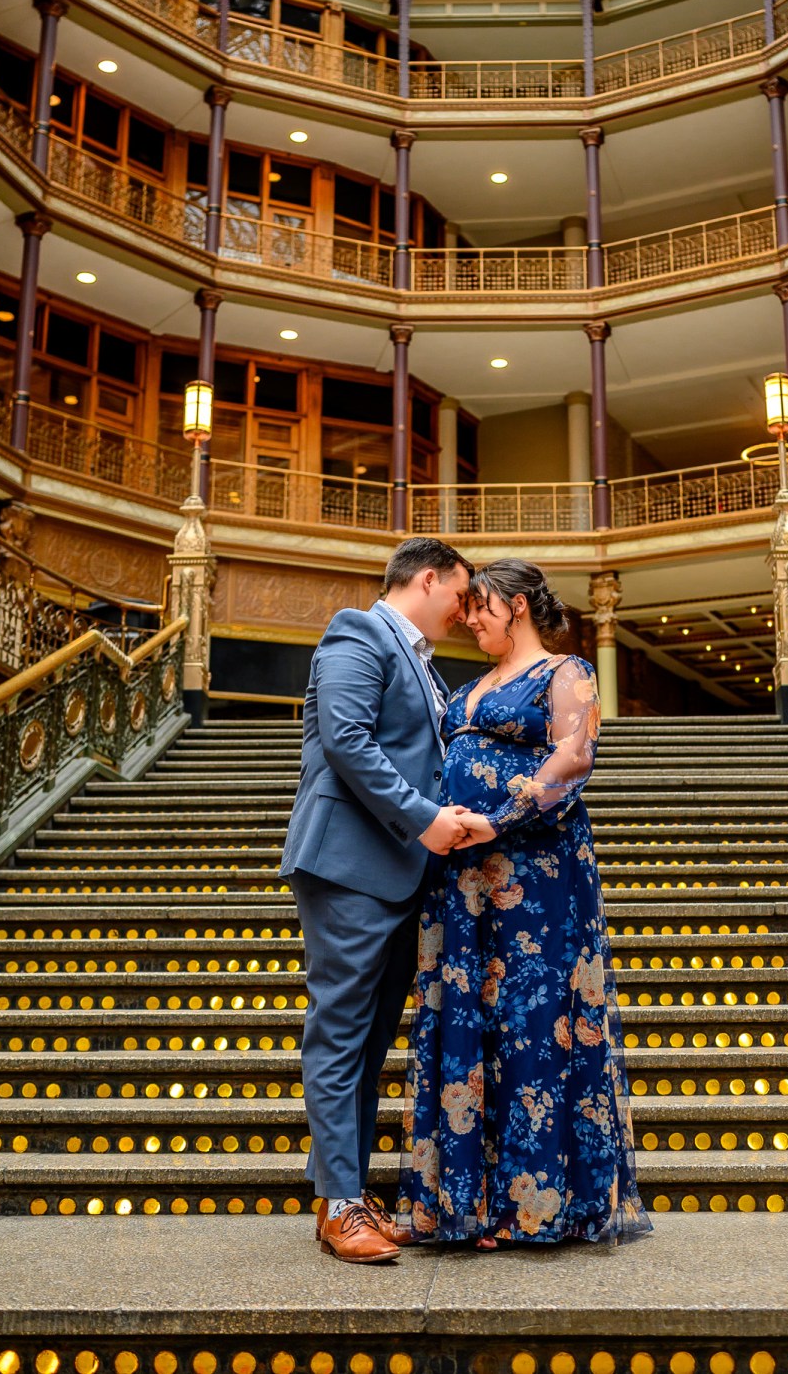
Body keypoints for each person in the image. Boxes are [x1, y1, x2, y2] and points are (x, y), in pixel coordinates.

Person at [396, 558, 651, 1248]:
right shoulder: (468, 686)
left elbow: (576, 755)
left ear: (515, 606)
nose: (469, 620)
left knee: (530, 1020)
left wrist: (500, 818)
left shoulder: (566, 671)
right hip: (463, 878)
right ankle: (465, 1203)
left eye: (480, 606)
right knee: (467, 1018)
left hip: (534, 875)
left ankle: (529, 1205)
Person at [279, 536, 473, 1264]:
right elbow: (347, 740)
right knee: (340, 1034)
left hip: (396, 872)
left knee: (367, 1040)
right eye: (459, 595)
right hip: (349, 864)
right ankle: (339, 1206)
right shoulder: (357, 632)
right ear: (427, 578)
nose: (464, 611)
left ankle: (347, 1194)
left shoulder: (424, 662)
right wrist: (425, 819)